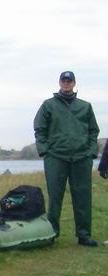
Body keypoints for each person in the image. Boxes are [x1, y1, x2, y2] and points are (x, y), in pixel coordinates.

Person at [33, 71, 100, 246]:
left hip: (81, 158)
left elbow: (93, 131)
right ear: (59, 83)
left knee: (83, 197)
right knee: (55, 197)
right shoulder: (48, 105)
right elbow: (39, 128)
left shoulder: (85, 106)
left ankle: (83, 235)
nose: (66, 83)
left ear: (74, 83)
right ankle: (52, 233)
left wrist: (91, 152)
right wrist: (44, 151)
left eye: (69, 81)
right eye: (64, 80)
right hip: (56, 157)